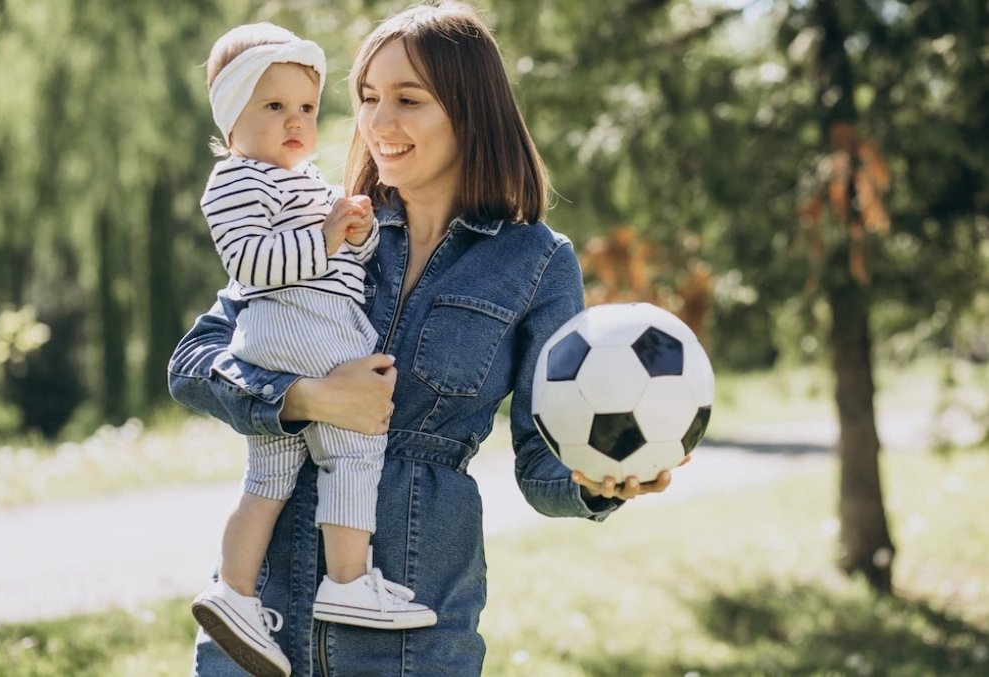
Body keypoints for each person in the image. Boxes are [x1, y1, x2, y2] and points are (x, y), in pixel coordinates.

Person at [169, 3, 682, 675]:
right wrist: (304, 398)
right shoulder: (322, 220)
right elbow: (193, 364)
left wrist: (598, 480)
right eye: (368, 98)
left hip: (412, 639)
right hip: (259, 629)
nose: (379, 122)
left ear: (470, 111)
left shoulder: (535, 263)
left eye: (408, 100)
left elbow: (542, 463)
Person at [188, 21, 436, 677]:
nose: (296, 121)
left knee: (268, 475)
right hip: (300, 325)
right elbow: (252, 262)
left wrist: (353, 235)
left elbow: (339, 260)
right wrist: (327, 236)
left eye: (306, 106)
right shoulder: (236, 179)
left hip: (295, 327)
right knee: (355, 442)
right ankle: (348, 580)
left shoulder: (302, 181)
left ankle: (235, 593)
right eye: (274, 106)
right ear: (231, 119)